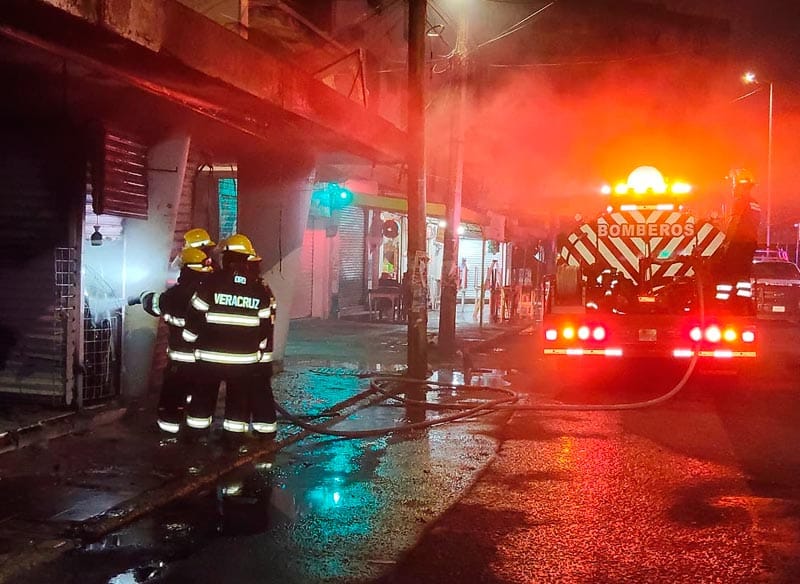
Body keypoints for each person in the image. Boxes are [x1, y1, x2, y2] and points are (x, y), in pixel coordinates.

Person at [183, 234, 276, 445]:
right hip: (244, 361)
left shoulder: (210, 283)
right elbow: (264, 328)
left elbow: (194, 316)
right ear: (247, 259)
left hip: (209, 358)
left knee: (203, 397)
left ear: (226, 258)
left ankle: (196, 438)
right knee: (238, 401)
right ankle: (233, 440)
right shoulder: (259, 289)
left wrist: (190, 339)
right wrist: (256, 349)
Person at [140, 246, 213, 435]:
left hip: (180, 361)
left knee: (173, 396)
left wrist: (141, 296)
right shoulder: (212, 291)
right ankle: (197, 434)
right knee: (199, 398)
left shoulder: (177, 294)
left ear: (185, 269)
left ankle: (168, 431)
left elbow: (156, 304)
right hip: (205, 361)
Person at [717, 169, 760, 308]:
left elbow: (735, 221)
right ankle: (742, 303)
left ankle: (722, 302)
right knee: (743, 274)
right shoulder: (755, 203)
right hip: (750, 243)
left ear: (741, 187)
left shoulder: (741, 202)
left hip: (738, 242)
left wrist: (726, 241)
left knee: (726, 271)